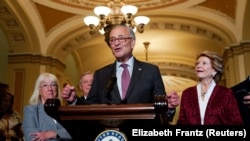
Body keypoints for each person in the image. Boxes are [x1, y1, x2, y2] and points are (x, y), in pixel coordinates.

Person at [61, 24, 180, 121]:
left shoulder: (151, 71)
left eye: (121, 38)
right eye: (112, 40)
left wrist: (168, 107)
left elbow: (162, 111)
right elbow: (89, 109)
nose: (116, 43)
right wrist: (74, 101)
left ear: (132, 42)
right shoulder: (100, 74)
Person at [177, 50, 243, 125]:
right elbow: (181, 122)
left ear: (214, 70)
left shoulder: (226, 93)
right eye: (197, 63)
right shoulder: (187, 93)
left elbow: (236, 122)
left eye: (204, 63)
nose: (198, 66)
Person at [22, 73, 72, 141]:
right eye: (45, 85)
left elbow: (74, 133)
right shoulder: (31, 110)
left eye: (53, 85)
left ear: (57, 89)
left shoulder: (64, 111)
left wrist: (51, 134)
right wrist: (61, 134)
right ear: (39, 90)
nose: (50, 89)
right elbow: (32, 138)